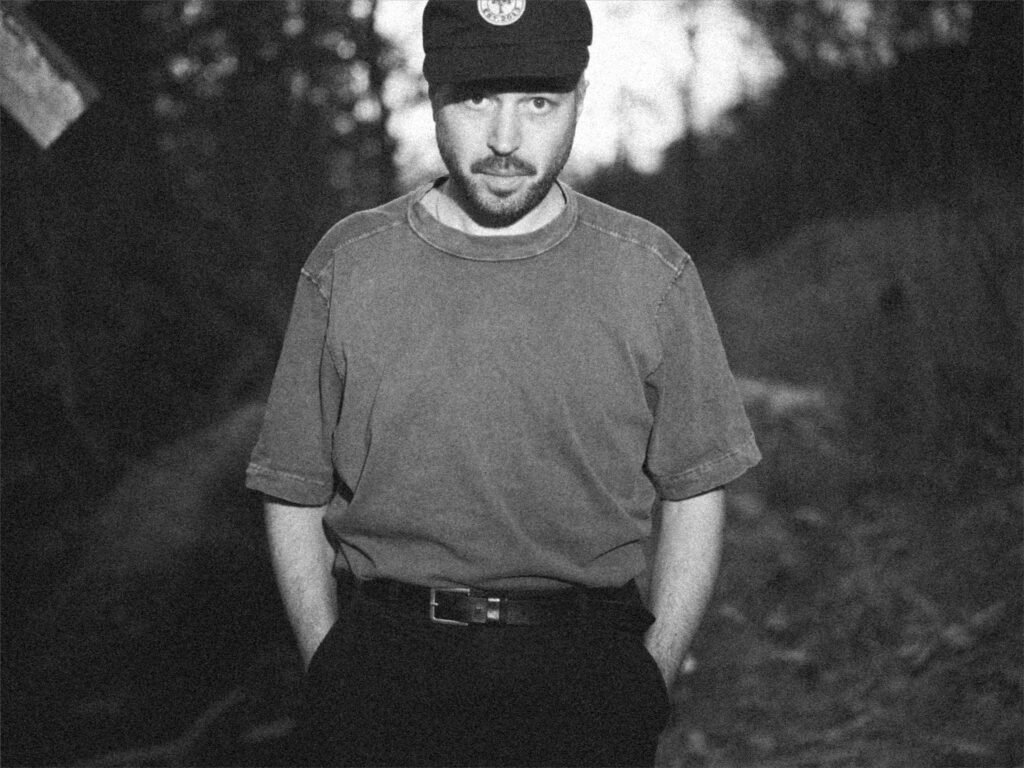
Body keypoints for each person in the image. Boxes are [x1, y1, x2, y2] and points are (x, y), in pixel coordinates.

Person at [246, 1, 760, 765]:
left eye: (539, 102)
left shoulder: (651, 272)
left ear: (580, 98)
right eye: (477, 99)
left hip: (587, 680)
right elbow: (293, 485)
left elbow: (696, 486)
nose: (505, 139)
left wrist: (652, 674)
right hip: (385, 676)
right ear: (433, 96)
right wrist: (326, 662)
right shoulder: (347, 264)